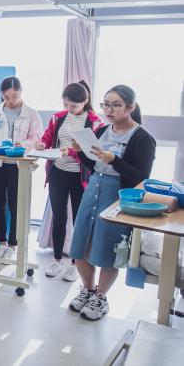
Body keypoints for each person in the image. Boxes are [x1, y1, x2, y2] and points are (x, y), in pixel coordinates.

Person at [68, 85, 155, 321]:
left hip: (117, 196)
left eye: (116, 105)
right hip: (94, 189)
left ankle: (101, 298)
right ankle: (87, 290)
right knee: (81, 243)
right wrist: (82, 153)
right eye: (106, 104)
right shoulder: (103, 130)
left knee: (107, 247)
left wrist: (115, 160)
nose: (109, 109)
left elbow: (141, 178)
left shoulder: (142, 138)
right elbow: (94, 165)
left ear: (130, 107)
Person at [35, 81, 103, 281]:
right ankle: (57, 260)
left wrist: (72, 151)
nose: (69, 109)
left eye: (73, 106)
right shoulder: (58, 117)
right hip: (58, 172)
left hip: (80, 177)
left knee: (79, 221)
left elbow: (93, 151)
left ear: (85, 102)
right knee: (59, 217)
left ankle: (75, 264)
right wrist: (42, 143)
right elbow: (48, 138)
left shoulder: (94, 121)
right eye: (66, 105)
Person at [0, 76, 43, 262]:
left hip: (18, 166)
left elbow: (36, 138)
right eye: (7, 97)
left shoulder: (31, 113)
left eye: (15, 96)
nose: (11, 100)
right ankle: (1, 243)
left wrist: (20, 144)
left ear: (21, 92)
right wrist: (1, 144)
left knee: (16, 206)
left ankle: (13, 245)